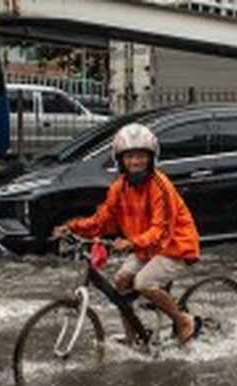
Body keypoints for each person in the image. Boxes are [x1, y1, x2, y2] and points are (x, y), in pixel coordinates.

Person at [52, 123, 202, 344]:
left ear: (151, 158)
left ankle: (183, 321)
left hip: (174, 246)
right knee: (121, 281)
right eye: (129, 157)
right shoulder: (119, 187)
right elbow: (102, 220)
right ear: (120, 160)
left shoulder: (161, 186)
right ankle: (133, 336)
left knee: (143, 283)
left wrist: (131, 243)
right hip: (144, 248)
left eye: (141, 156)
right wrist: (72, 227)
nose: (135, 162)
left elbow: (161, 232)